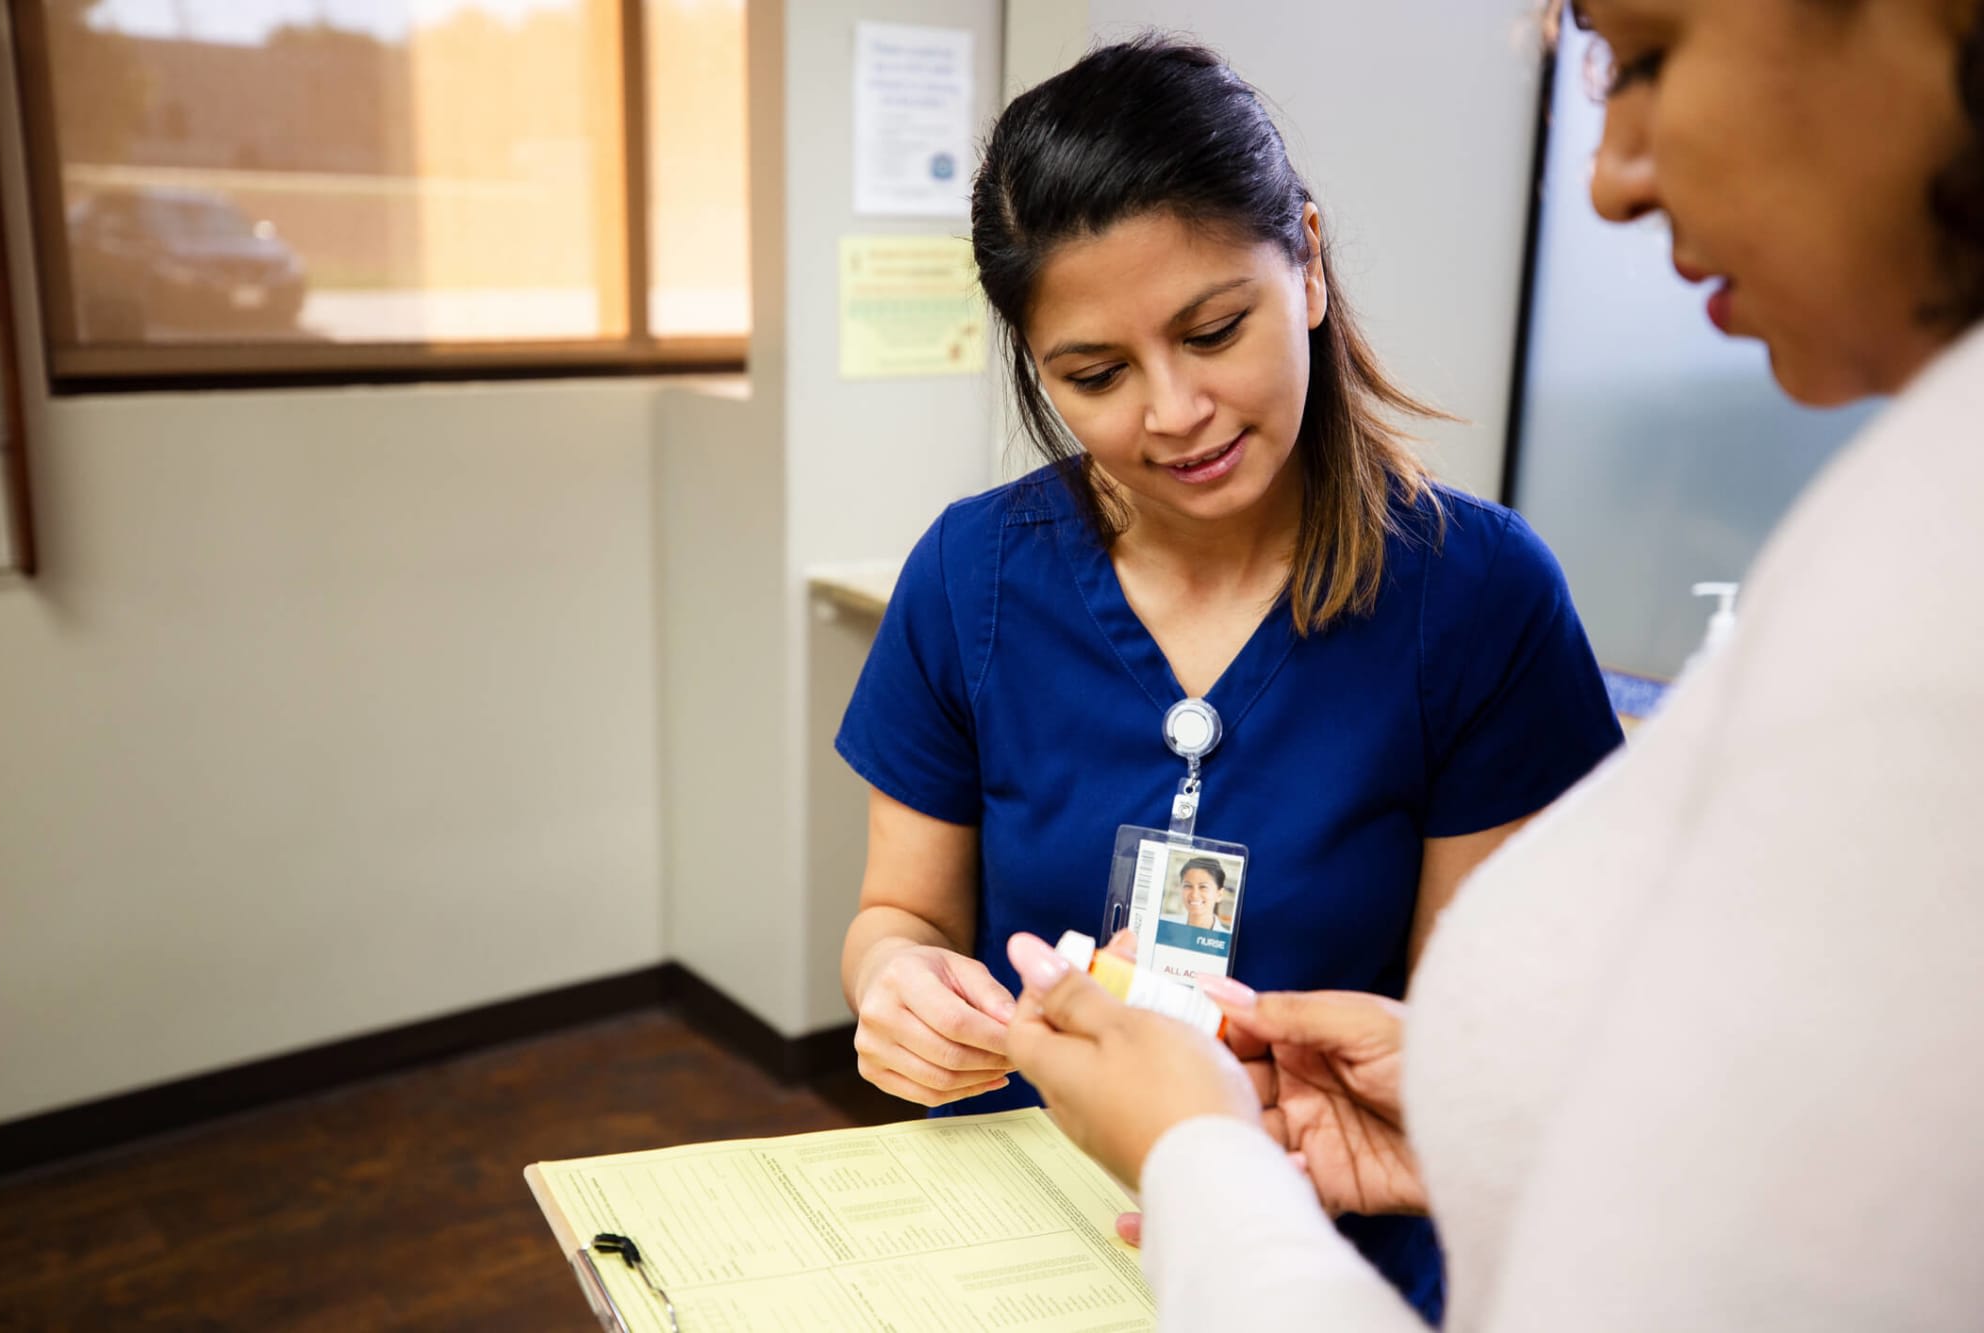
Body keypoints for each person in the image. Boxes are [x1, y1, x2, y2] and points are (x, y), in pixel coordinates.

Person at [1006, 0, 1984, 1327]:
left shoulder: (1492, 592)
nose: (1606, 175)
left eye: (1645, 58)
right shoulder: (1904, 515)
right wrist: (1480, 1107)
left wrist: (1200, 1154)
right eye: (1097, 369)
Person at [833, 36, 1623, 1320]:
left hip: (1328, 1256)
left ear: (1304, 260)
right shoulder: (970, 576)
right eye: (1092, 374)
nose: (1174, 411)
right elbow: (896, 918)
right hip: (1012, 1239)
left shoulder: (1474, 597)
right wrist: (896, 992)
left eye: (1213, 330)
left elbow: (1485, 1033)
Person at [1170, 858, 1232, 932]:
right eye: (1188, 886)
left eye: (1203, 887)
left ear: (1219, 894)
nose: (1194, 895)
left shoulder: (1227, 939)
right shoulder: (1165, 925)